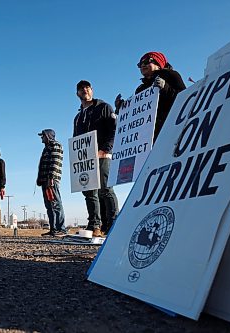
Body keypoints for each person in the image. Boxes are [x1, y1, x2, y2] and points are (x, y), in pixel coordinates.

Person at [73, 80, 119, 237]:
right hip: (85, 160)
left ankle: (113, 225)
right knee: (88, 191)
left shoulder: (103, 107)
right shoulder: (78, 117)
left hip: (103, 155)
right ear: (77, 94)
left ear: (91, 90)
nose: (84, 90)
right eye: (81, 88)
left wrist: (105, 149)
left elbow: (114, 129)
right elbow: (76, 140)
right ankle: (95, 225)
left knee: (105, 189)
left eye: (87, 87)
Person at [115, 51, 186, 142]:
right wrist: (122, 109)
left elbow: (184, 97)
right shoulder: (140, 89)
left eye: (147, 61)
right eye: (140, 64)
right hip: (148, 136)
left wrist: (165, 87)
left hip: (170, 127)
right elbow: (136, 113)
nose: (143, 65)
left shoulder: (171, 75)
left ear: (158, 63)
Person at [36, 129, 66, 237]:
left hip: (51, 181)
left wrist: (51, 177)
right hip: (45, 181)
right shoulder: (46, 148)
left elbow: (55, 161)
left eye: (43, 136)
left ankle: (60, 229)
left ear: (48, 136)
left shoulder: (56, 145)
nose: (41, 138)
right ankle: (53, 229)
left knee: (55, 203)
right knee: (49, 205)